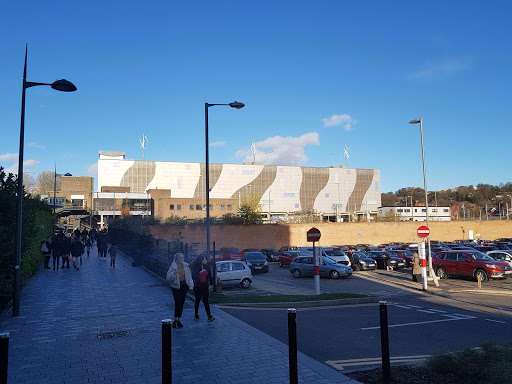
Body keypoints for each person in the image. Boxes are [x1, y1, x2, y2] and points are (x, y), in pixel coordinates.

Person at [166, 253, 194, 328]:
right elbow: (168, 277)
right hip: (176, 287)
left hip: (184, 286)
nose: (181, 260)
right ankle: (175, 319)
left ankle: (178, 320)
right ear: (176, 259)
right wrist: (174, 274)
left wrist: (191, 286)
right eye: (179, 258)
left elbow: (189, 277)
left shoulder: (186, 266)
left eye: (182, 258)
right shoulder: (173, 267)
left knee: (181, 303)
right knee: (177, 303)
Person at [191, 256, 215, 322]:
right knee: (197, 300)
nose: (206, 260)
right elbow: (194, 277)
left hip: (205, 286)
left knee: (206, 301)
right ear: (201, 260)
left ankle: (209, 315)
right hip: (198, 286)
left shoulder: (206, 266)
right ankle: (196, 313)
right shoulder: (196, 268)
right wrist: (200, 272)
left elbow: (209, 275)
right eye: (204, 259)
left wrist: (211, 282)